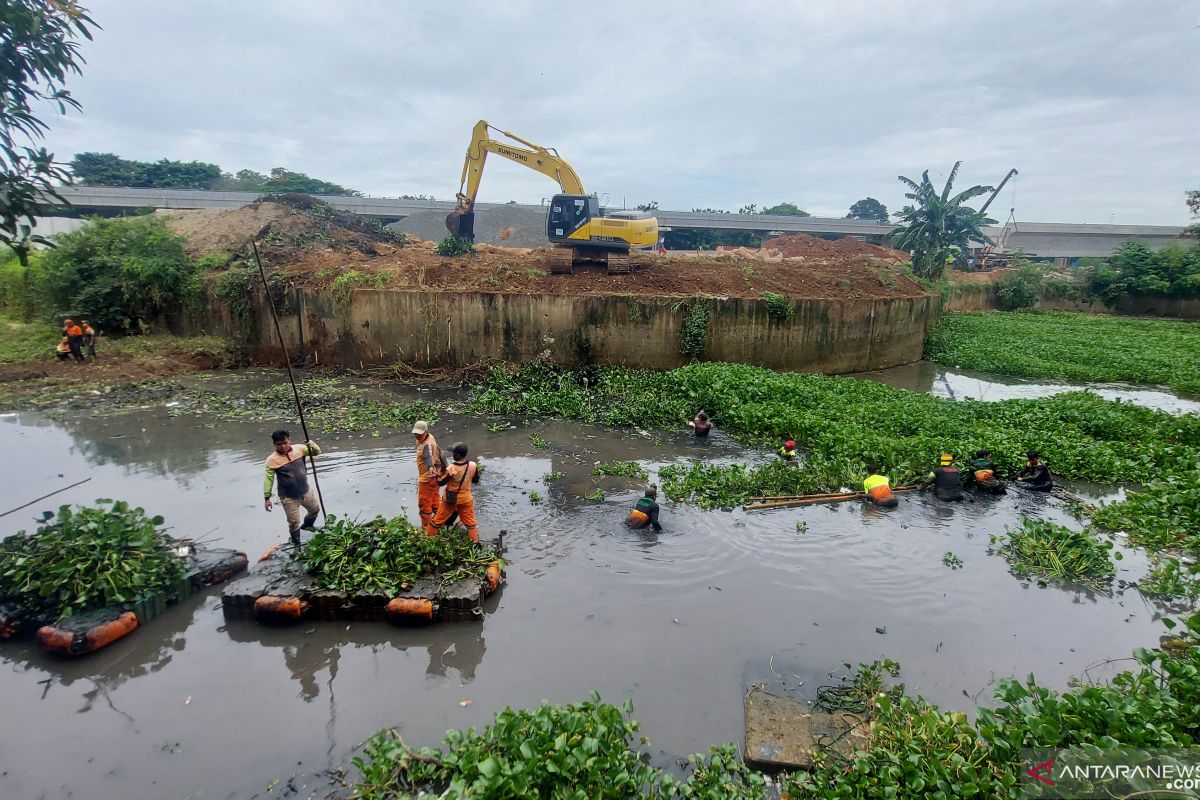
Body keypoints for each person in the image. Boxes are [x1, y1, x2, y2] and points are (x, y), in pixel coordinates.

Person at [263, 430, 322, 546]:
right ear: (274, 444)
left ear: (289, 440)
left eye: (285, 442)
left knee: (315, 510)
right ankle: (297, 544)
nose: (283, 446)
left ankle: (308, 526)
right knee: (294, 523)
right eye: (279, 444)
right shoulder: (272, 460)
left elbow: (317, 452)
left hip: (306, 491)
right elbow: (268, 480)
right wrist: (267, 498)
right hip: (289, 497)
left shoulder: (300, 449)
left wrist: (312, 445)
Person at [432, 442, 481, 541]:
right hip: (466, 499)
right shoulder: (473, 465)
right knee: (470, 523)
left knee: (437, 521)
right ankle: (475, 543)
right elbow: (476, 480)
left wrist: (436, 475)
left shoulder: (452, 468)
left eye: (453, 453)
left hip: (451, 499)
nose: (452, 455)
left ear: (457, 455)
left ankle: (429, 539)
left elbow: (441, 482)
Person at [412, 420, 444, 535]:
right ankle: (439, 525)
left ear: (426, 431)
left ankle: (426, 531)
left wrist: (430, 467)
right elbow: (437, 453)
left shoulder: (425, 445)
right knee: (435, 502)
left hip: (427, 478)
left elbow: (427, 456)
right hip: (435, 477)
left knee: (424, 505)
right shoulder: (431, 437)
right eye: (416, 433)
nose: (417, 435)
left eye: (420, 433)